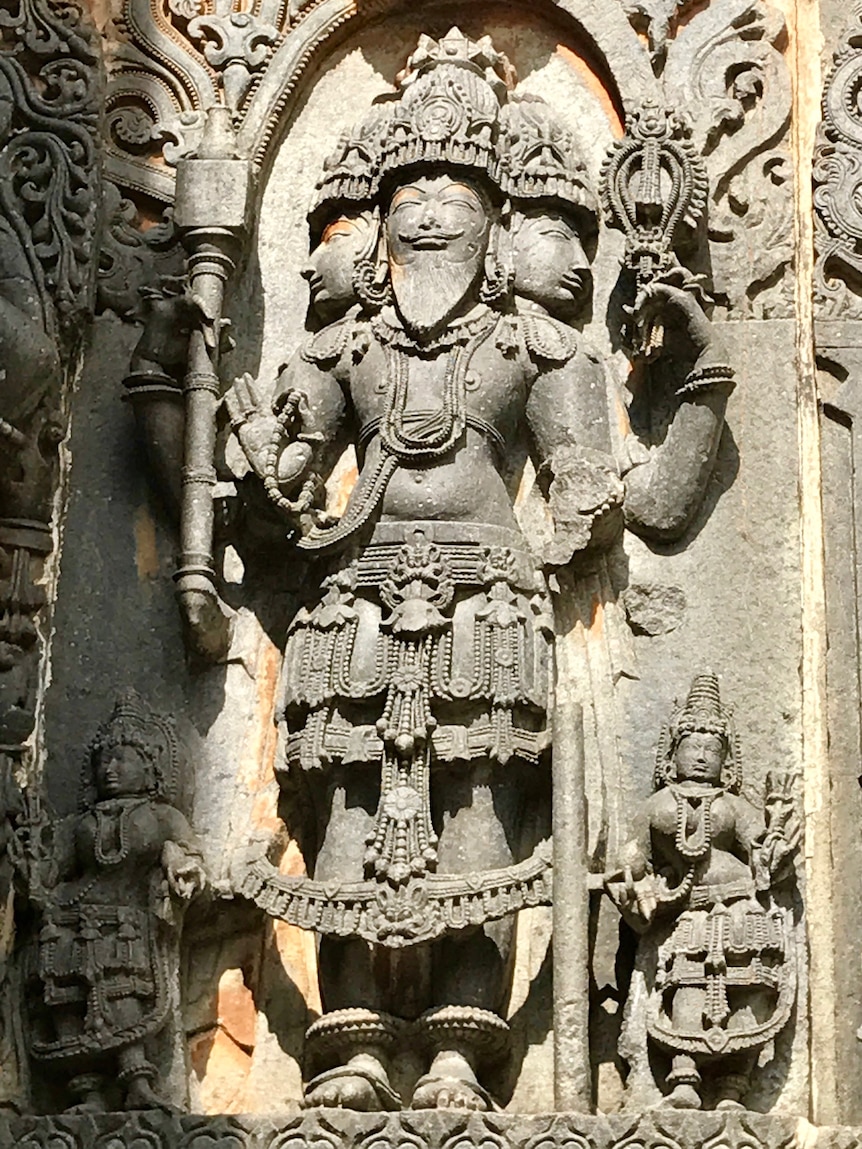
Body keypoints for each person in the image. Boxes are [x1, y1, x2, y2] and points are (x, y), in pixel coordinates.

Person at [226, 28, 736, 1110]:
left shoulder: (539, 351)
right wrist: (254, 483)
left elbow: (625, 504)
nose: (431, 211)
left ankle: (462, 1048)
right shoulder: (337, 351)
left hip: (489, 602)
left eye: (456, 191)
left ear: (501, 218)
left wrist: (702, 379)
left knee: (477, 817)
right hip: (352, 601)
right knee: (347, 818)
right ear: (371, 221)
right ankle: (351, 1044)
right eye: (409, 190)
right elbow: (281, 491)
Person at [604, 673, 798, 1110]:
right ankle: (684, 1075)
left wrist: (778, 835)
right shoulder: (656, 807)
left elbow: (761, 852)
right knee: (682, 984)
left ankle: (733, 1083)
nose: (702, 756)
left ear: (726, 762)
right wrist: (633, 884)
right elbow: (631, 861)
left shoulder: (733, 805)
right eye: (692, 746)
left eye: (713, 750)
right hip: (683, 915)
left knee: (746, 985)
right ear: (672, 754)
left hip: (739, 912)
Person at [25, 693, 206, 1113]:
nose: (110, 768)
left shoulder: (162, 816)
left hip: (127, 922)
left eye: (123, 758)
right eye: (104, 760)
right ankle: (85, 1089)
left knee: (124, 993)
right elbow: (54, 871)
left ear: (150, 768)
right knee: (66, 998)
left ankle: (137, 1078)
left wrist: (183, 869)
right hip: (70, 920)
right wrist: (35, 865)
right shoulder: (80, 824)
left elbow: (184, 853)